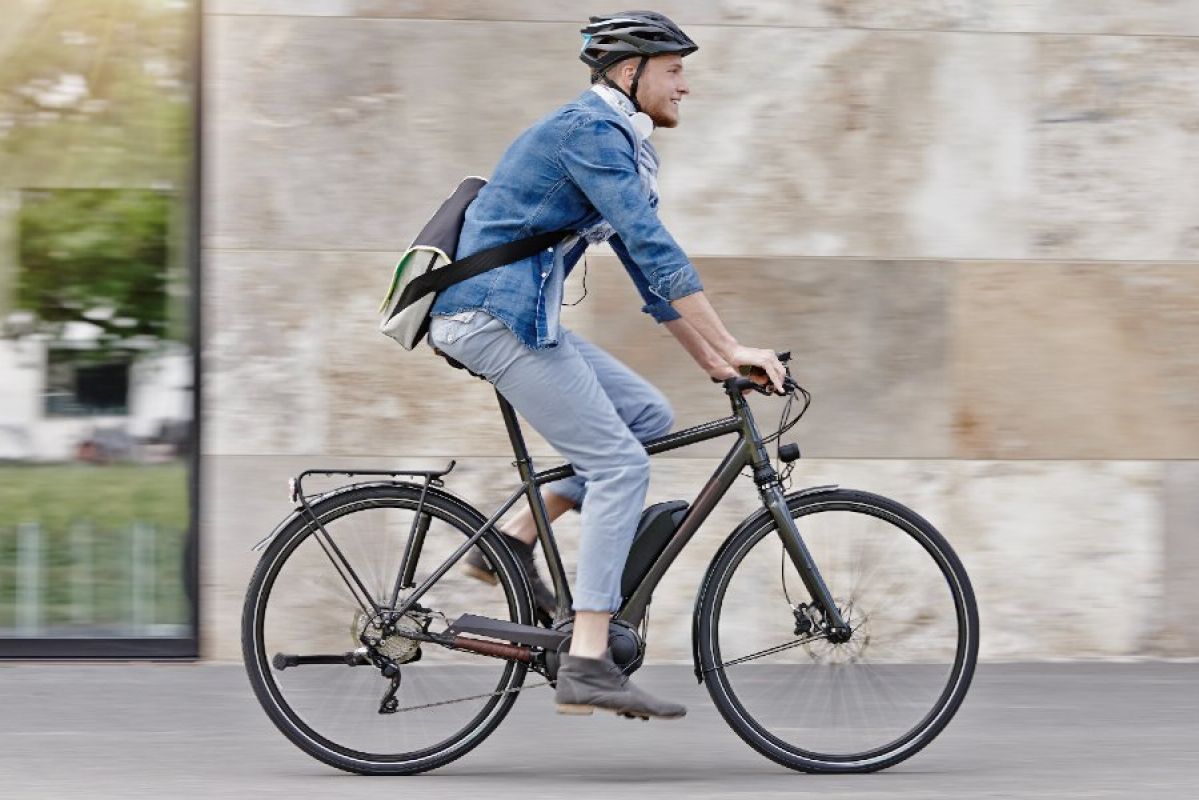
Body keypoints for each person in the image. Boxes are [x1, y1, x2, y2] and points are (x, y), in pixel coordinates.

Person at [426, 11, 786, 720]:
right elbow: (655, 248)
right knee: (621, 465)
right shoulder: (588, 133)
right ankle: (588, 659)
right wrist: (735, 343)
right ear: (630, 73)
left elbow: (650, 281)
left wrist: (718, 363)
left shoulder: (613, 141)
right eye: (674, 69)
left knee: (646, 417)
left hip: (517, 315)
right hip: (492, 316)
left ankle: (511, 537)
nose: (685, 85)